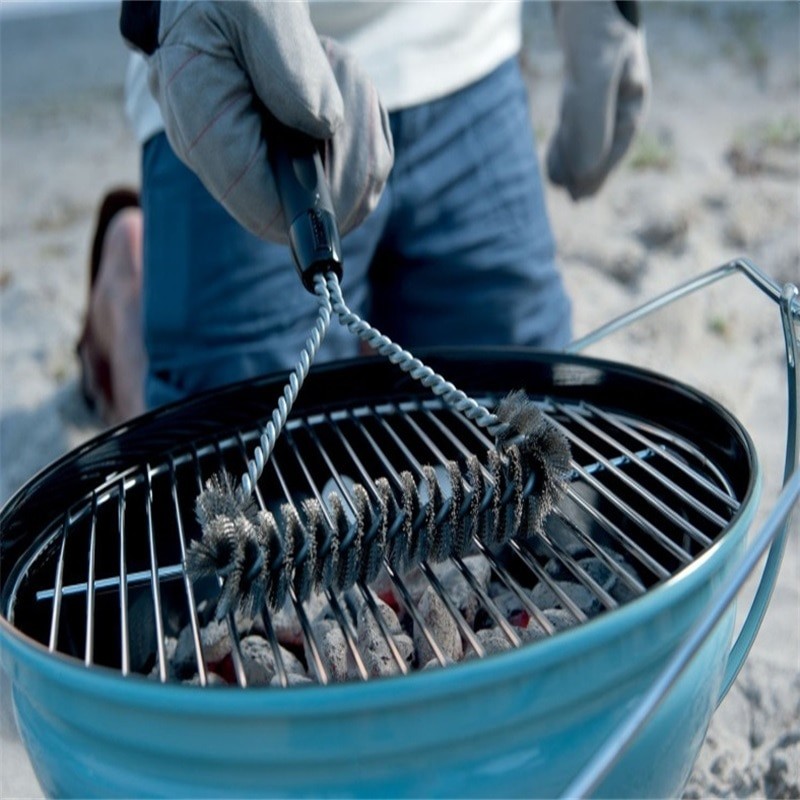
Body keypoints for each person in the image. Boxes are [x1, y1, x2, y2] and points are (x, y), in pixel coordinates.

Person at [78, 0, 649, 424]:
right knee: (236, 516)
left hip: (465, 49)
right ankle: (125, 287)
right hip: (243, 58)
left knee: (533, 451)